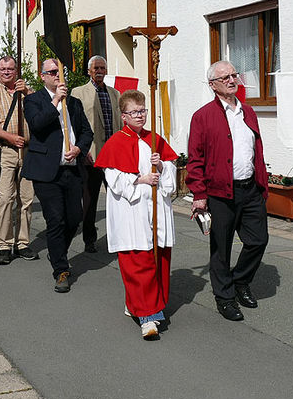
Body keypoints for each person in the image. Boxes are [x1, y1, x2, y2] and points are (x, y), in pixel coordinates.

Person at [187, 60, 269, 322]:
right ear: (213, 85)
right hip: (220, 193)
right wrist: (199, 194)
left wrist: (262, 181)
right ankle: (224, 297)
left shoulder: (248, 112)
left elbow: (256, 149)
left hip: (250, 189)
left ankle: (240, 281)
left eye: (235, 75)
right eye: (225, 77)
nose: (233, 80)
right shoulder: (202, 116)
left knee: (258, 240)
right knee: (221, 249)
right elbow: (195, 158)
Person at [95, 90, 178, 339]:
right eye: (135, 112)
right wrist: (140, 179)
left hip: (156, 213)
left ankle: (144, 306)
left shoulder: (155, 140)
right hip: (132, 214)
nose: (140, 115)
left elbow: (171, 175)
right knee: (138, 263)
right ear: (124, 116)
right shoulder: (115, 143)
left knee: (157, 260)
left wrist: (162, 165)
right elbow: (114, 179)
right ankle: (146, 317)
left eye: (142, 111)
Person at [22, 59, 93, 293]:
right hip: (46, 171)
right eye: (52, 72)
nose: (57, 76)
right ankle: (61, 269)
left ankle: (57, 251)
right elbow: (38, 125)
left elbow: (86, 132)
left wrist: (79, 149)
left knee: (74, 218)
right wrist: (55, 101)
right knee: (56, 219)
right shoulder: (33, 100)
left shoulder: (74, 103)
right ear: (42, 76)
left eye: (60, 72)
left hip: (71, 169)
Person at [0, 56, 37, 264]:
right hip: (5, 151)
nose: (6, 73)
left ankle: (23, 243)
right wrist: (9, 137)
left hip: (28, 152)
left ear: (16, 70)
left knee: (26, 200)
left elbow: (43, 112)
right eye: (3, 69)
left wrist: (28, 93)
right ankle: (4, 244)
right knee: (4, 199)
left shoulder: (27, 92)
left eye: (10, 69)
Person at [71, 55, 121, 253]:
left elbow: (120, 124)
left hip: (113, 156)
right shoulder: (78, 93)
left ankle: (118, 237)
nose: (99, 71)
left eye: (102, 68)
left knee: (117, 199)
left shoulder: (115, 94)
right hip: (90, 156)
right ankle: (89, 239)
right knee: (90, 200)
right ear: (89, 71)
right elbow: (75, 126)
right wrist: (82, 150)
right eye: (96, 68)